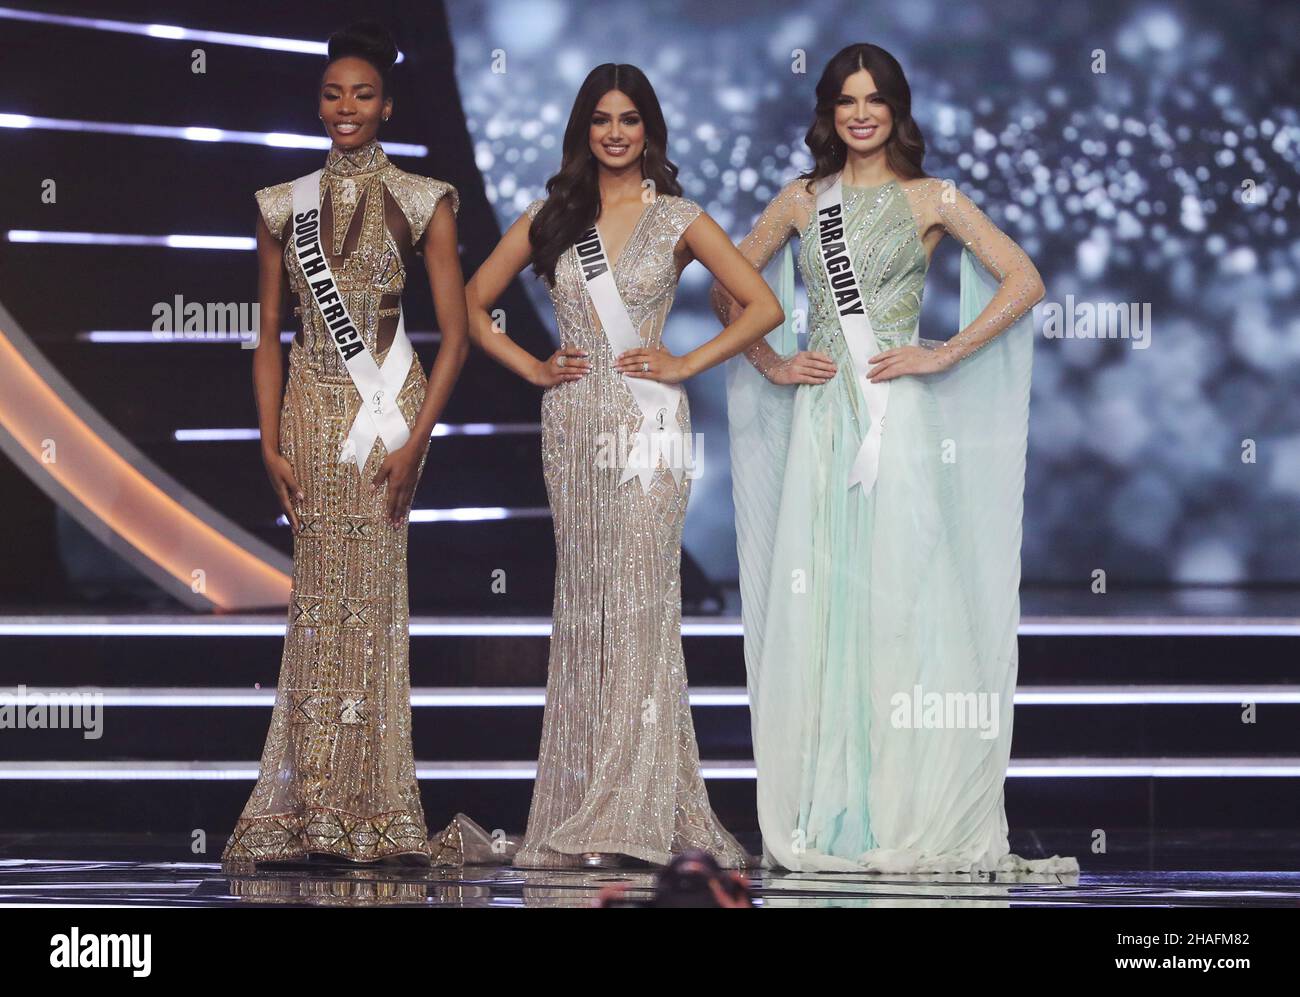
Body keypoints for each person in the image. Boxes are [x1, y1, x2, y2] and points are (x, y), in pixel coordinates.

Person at [713, 43, 1078, 874]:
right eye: (846, 100)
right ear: (829, 113)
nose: (861, 113)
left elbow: (1023, 280)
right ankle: (831, 810)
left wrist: (943, 353)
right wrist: (772, 360)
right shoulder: (805, 202)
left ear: (896, 108)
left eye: (874, 99)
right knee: (823, 613)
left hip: (897, 425)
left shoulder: (932, 197)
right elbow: (727, 284)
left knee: (903, 607)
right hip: (819, 425)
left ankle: (904, 808)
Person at [464, 63, 782, 869]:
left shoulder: (677, 217)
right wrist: (532, 365)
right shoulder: (552, 215)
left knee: (642, 608)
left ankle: (637, 806)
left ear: (649, 129)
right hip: (572, 425)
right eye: (602, 119)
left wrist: (685, 362)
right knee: (588, 609)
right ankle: (587, 802)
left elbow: (764, 306)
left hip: (648, 432)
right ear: (584, 128)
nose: (615, 132)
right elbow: (472, 300)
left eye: (629, 119)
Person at [222, 21, 473, 870]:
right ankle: (315, 801)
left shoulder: (422, 197)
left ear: (388, 105)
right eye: (333, 94)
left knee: (373, 599)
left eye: (362, 95)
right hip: (307, 406)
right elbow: (264, 334)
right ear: (318, 103)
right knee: (319, 600)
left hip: (387, 409)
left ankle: (377, 804)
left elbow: (459, 333)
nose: (346, 108)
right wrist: (267, 439)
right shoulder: (279, 204)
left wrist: (417, 439)